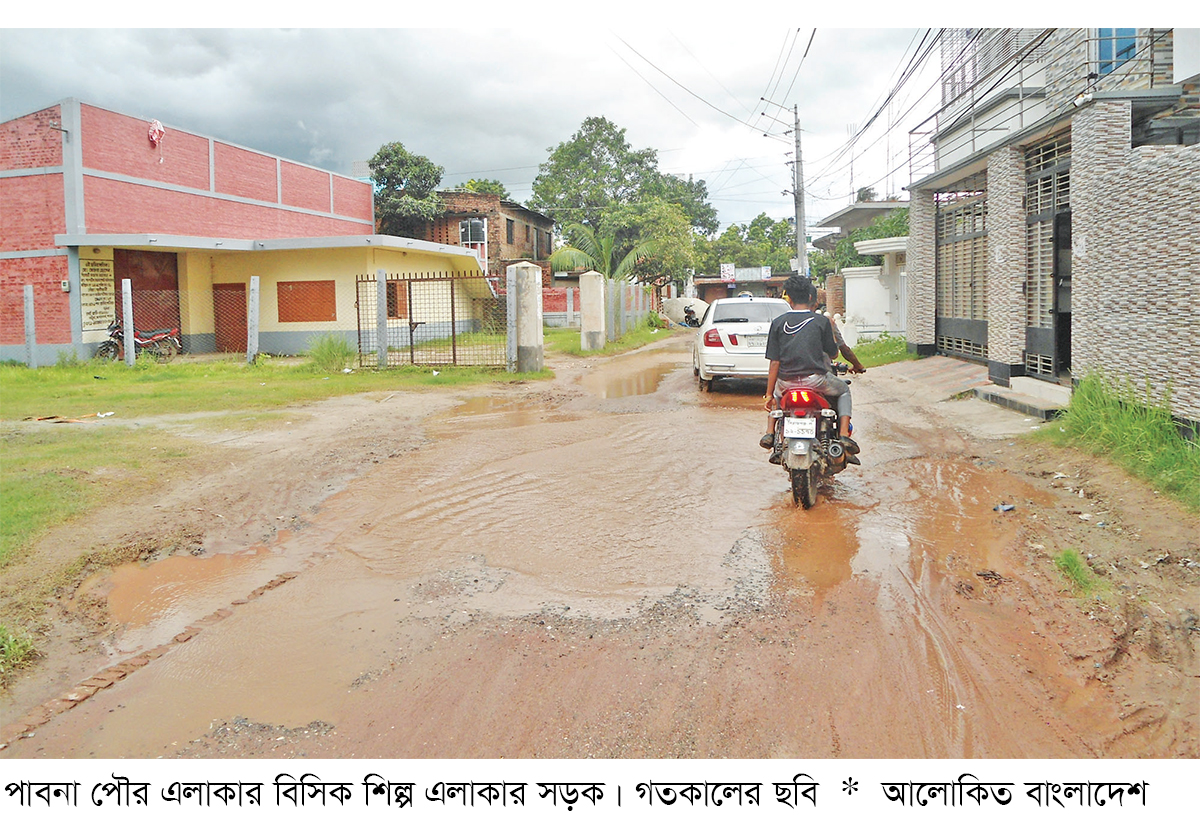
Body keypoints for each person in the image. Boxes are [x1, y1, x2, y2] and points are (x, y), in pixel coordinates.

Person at [761, 275, 861, 465]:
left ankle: (770, 433)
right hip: (816, 380)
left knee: (778, 400)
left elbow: (774, 363)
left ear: (788, 298)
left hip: (785, 383)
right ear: (810, 298)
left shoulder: (778, 323)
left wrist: (768, 394)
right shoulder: (820, 321)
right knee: (844, 390)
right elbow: (832, 354)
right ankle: (843, 435)